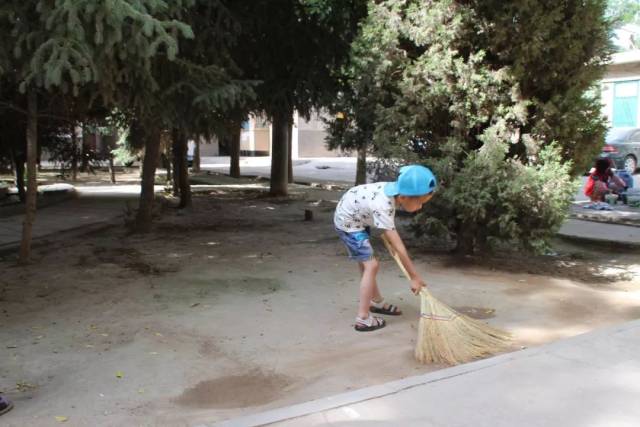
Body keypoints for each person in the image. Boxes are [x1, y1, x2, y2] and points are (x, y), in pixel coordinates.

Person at [334, 165, 436, 332]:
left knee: (366, 264)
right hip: (348, 223)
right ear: (403, 197)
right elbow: (398, 247)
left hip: (358, 217)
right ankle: (363, 318)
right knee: (371, 265)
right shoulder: (383, 205)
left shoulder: (394, 191)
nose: (420, 208)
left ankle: (375, 301)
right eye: (419, 203)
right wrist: (414, 277)